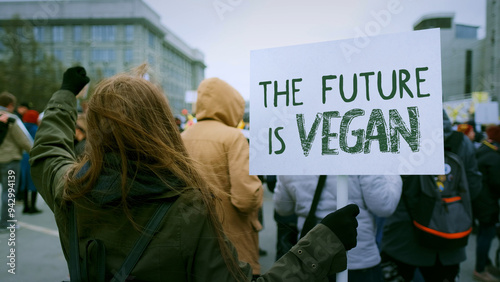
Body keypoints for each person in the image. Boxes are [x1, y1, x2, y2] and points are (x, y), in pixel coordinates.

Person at [30, 66, 360, 281]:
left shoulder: (69, 190)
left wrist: (64, 96)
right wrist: (322, 243)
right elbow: (247, 197)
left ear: (94, 130)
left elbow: (47, 152)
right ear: (160, 124)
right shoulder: (188, 210)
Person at [380, 110, 482, 282]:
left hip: (403, 239)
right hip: (448, 239)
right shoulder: (462, 142)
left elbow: (386, 189)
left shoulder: (399, 138)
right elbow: (473, 188)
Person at [181, 77, 264, 278]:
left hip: (191, 241)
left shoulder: (182, 136)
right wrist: (259, 190)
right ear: (231, 105)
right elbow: (246, 199)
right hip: (233, 244)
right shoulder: (233, 137)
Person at [273, 175, 402, 282]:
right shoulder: (362, 155)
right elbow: (384, 205)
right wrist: (393, 175)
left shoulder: (293, 159)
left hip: (312, 257)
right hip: (358, 258)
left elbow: (282, 208)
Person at [0, 92, 33, 232]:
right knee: (9, 192)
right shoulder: (11, 119)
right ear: (10, 105)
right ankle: (6, 222)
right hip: (10, 159)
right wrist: (35, 152)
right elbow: (23, 140)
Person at [472, 125, 500, 281]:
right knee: (487, 234)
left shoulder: (482, 149)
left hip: (479, 197)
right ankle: (480, 269)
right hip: (487, 201)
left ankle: (485, 262)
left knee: (483, 232)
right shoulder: (495, 157)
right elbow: (497, 182)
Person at [20, 109, 42, 214]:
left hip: (23, 157)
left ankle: (25, 206)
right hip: (34, 157)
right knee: (33, 182)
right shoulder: (37, 129)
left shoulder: (21, 127)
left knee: (24, 182)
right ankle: (33, 206)